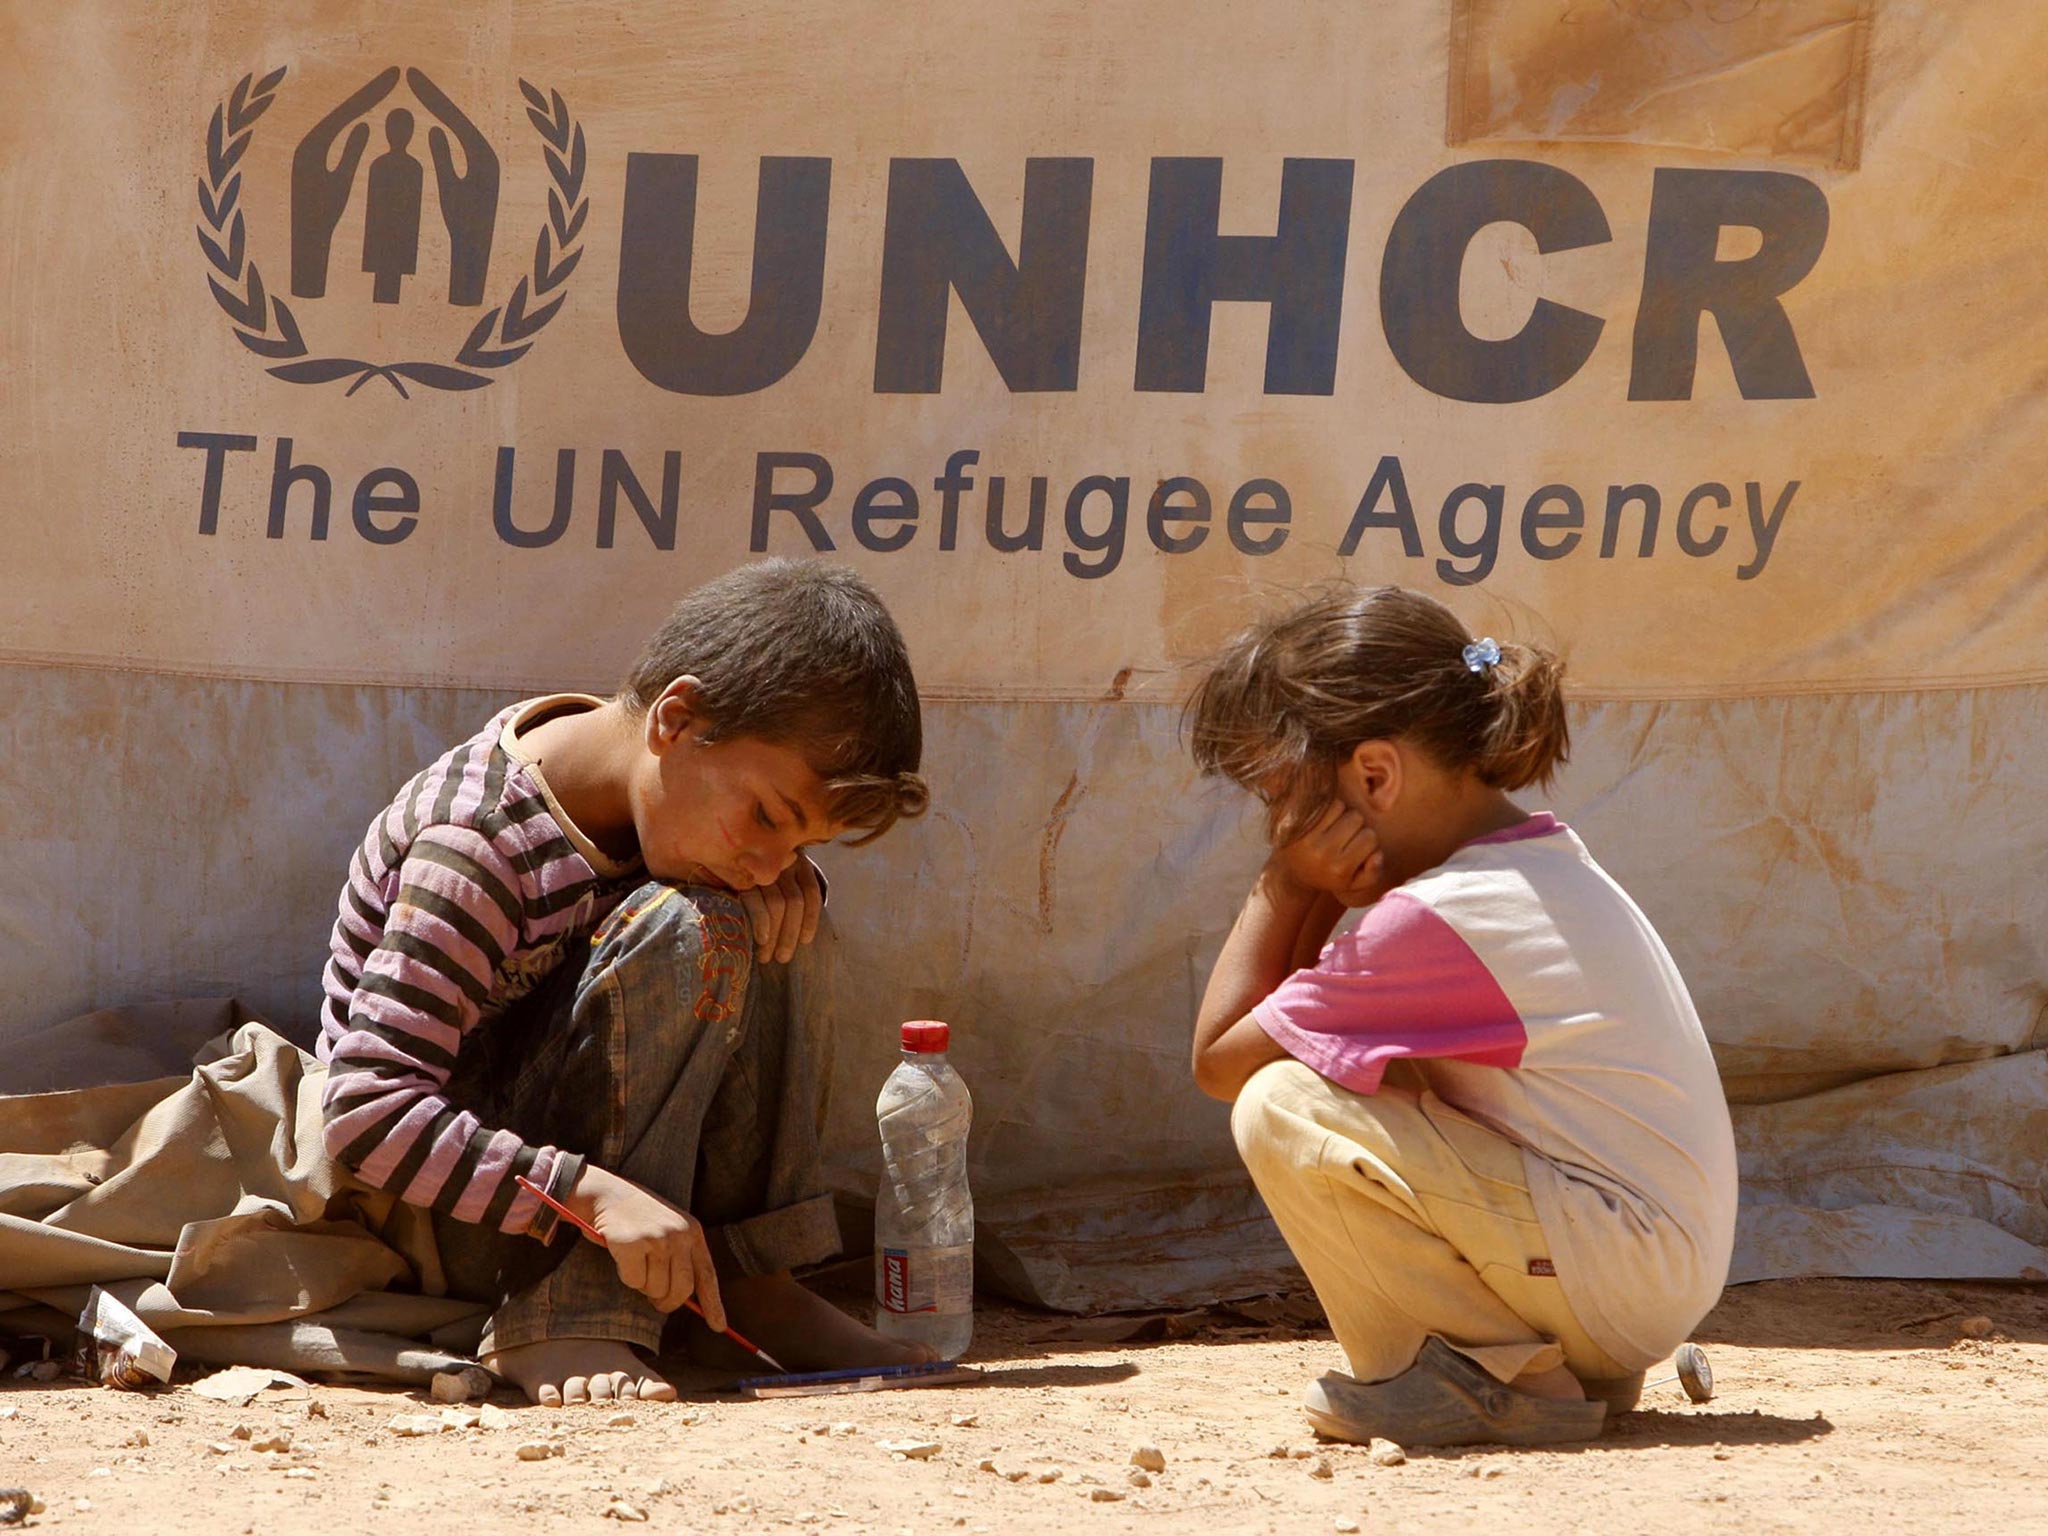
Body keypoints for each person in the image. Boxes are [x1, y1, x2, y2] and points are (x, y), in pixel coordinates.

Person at [317, 560, 933, 1406]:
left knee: (777, 916)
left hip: (601, 1199)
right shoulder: (480, 843)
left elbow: (745, 883)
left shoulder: (664, 792)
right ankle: (565, 1314)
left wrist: (789, 877)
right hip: (445, 1217)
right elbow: (364, 1116)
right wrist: (585, 1196)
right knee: (694, 927)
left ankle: (755, 1284)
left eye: (798, 840)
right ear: (677, 719)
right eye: (765, 818)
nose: (767, 860)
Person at [1184, 585, 1736, 1446]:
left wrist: (1289, 880)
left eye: (1278, 797)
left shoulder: (1440, 919)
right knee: (1340, 1076)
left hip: (1615, 1272)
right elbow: (1303, 1024)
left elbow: (1222, 1061)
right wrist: (1323, 885)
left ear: (1373, 775)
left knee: (1280, 1105)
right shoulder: (1529, 866)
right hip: (1632, 1277)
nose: (1278, 824)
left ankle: (1489, 1383)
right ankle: (1541, 1361)